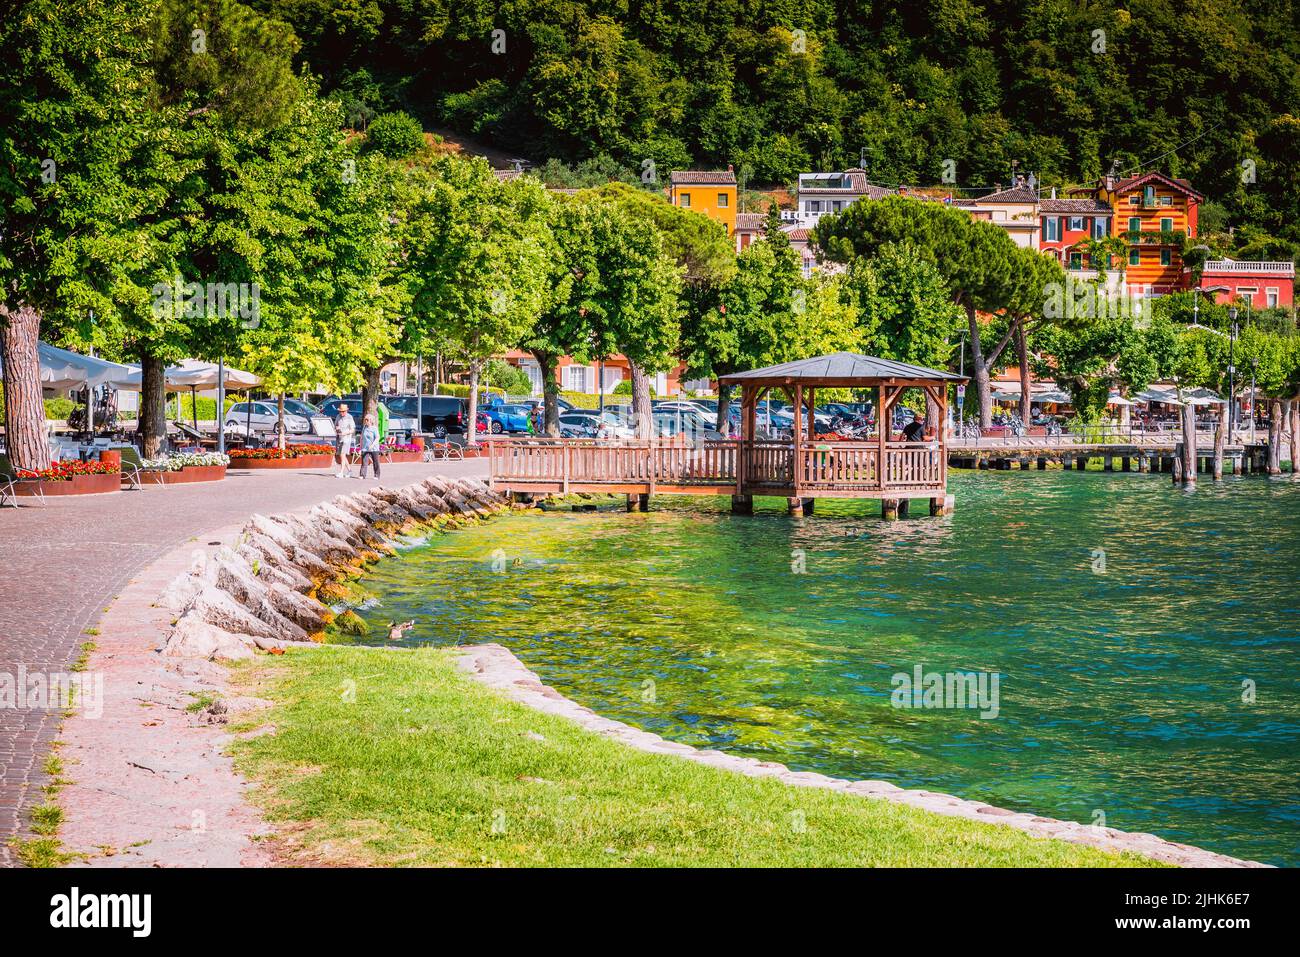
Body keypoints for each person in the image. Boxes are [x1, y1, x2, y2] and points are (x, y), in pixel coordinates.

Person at [334, 403, 356, 478]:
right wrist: (337, 429)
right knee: (341, 455)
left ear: (346, 411)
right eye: (341, 411)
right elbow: (336, 425)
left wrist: (345, 433)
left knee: (343, 454)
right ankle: (350, 471)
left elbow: (352, 430)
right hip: (339, 438)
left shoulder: (349, 417)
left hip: (346, 439)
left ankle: (341, 472)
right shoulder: (338, 416)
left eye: (343, 411)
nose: (342, 413)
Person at [358, 413, 381, 479]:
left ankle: (377, 475)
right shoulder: (364, 428)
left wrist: (373, 445)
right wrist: (360, 448)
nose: (366, 421)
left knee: (376, 462)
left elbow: (377, 438)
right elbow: (361, 438)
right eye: (365, 420)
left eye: (367, 420)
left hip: (374, 448)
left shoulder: (374, 428)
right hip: (365, 448)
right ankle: (362, 475)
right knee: (364, 462)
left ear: (371, 421)